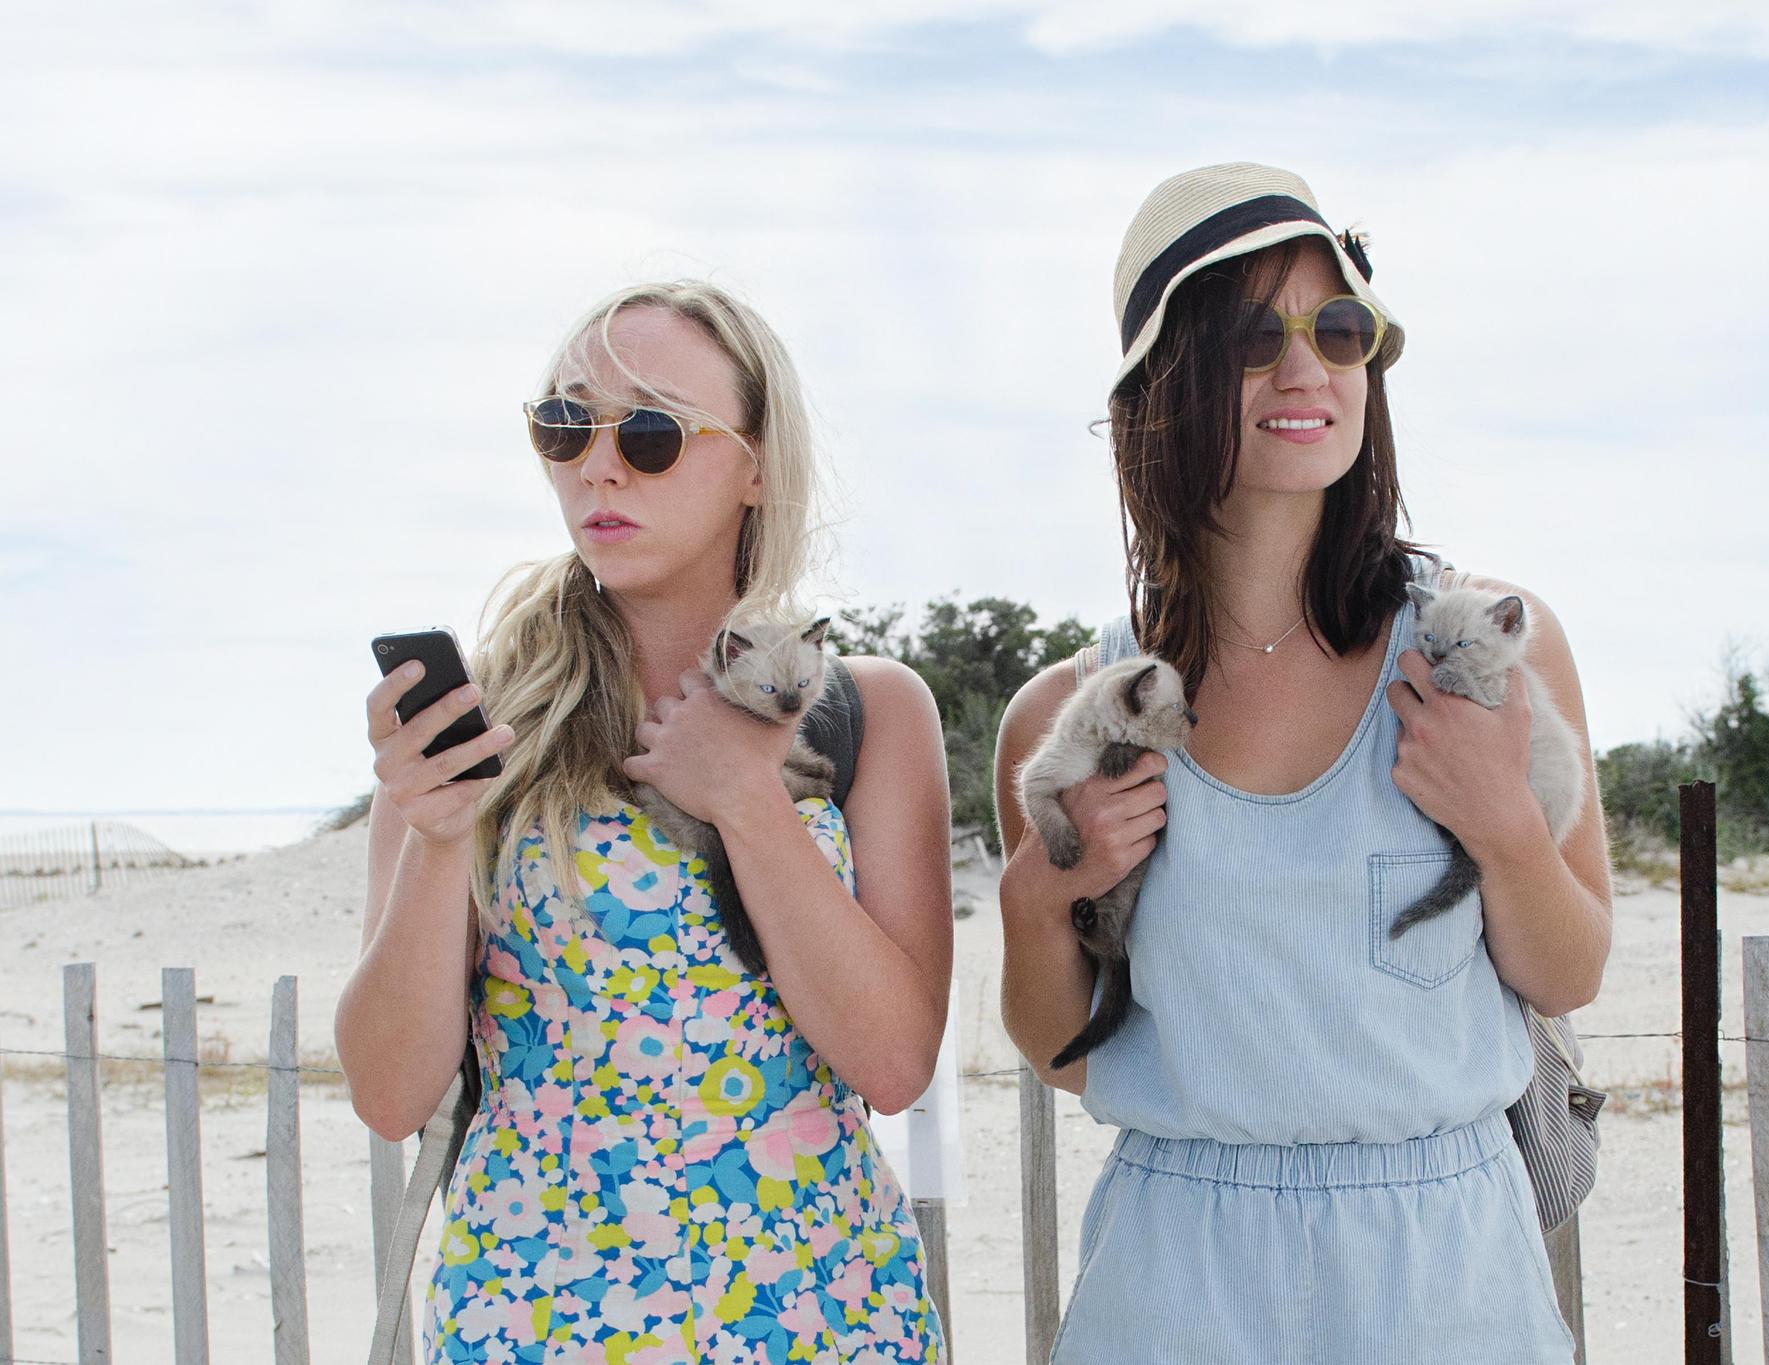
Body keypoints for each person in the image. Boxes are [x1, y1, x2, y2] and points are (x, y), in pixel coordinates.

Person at [994, 164, 1613, 1363]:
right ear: (1158, 388)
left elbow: (1571, 967)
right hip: (1175, 1275)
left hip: (1447, 1274)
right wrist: (1033, 904)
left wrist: (1501, 824)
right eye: (1248, 337)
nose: (1304, 370)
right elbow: (1066, 1060)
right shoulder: (1071, 714)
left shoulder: (1483, 653)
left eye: (1338, 331)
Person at [337, 282, 952, 1362]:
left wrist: (744, 800)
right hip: (532, 1322)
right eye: (565, 425)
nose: (599, 466)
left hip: (814, 1318)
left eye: (654, 432)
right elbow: (390, 1096)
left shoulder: (869, 711)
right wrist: (438, 838)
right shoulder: (478, 724)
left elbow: (894, 1062)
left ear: (755, 466)